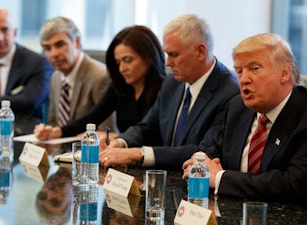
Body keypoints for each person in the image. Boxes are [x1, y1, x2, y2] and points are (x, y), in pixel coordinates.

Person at [182, 33, 307, 219]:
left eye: (254, 69)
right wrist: (202, 164)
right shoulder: (237, 106)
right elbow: (208, 153)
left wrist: (220, 177)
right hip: (238, 214)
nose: (244, 79)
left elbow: (292, 185)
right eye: (239, 71)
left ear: (284, 73)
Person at [99, 14, 239, 169]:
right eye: (166, 54)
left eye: (174, 54)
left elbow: (204, 151)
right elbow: (148, 126)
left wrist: (139, 153)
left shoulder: (230, 93)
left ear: (200, 51)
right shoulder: (171, 83)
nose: (167, 63)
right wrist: (121, 142)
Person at [34, 25, 166, 142]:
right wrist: (57, 131)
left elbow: (155, 135)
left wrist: (118, 138)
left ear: (149, 58)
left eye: (128, 60)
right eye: (118, 62)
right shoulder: (120, 87)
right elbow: (92, 118)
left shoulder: (166, 89)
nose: (122, 69)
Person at [36, 16, 112, 131]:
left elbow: (106, 132)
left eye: (60, 45)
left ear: (77, 42)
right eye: (47, 48)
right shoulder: (55, 77)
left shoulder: (100, 76)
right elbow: (53, 123)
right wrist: (47, 132)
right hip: (62, 147)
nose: (53, 54)